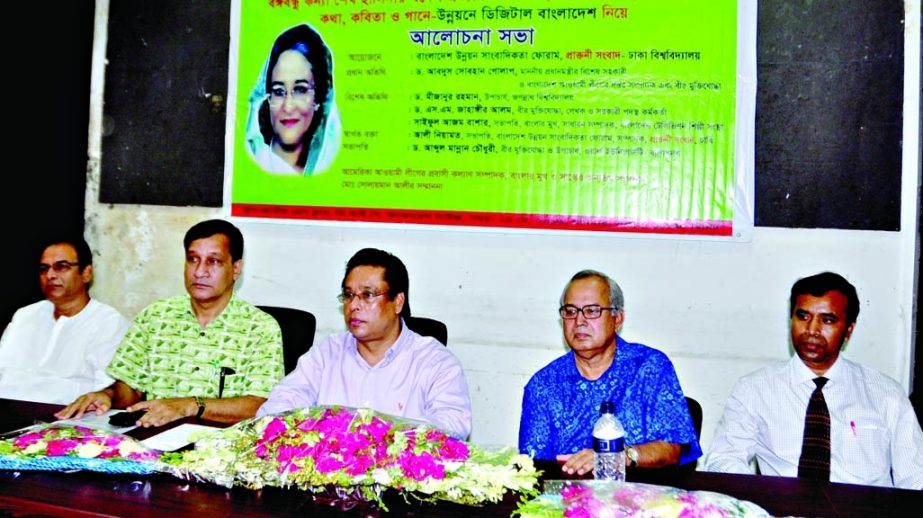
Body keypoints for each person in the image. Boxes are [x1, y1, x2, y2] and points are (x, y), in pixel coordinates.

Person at [56, 220, 285, 427]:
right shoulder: (156, 316)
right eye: (193, 259)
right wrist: (108, 395)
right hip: (152, 439)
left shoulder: (260, 328)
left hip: (223, 448)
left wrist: (189, 405)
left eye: (213, 262)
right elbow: (131, 387)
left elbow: (261, 405)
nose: (199, 271)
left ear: (236, 268)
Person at [706, 272, 923, 489]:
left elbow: (916, 477)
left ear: (849, 330)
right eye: (803, 317)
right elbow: (724, 461)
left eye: (827, 320)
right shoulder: (755, 389)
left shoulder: (885, 394)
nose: (812, 330)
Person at [257, 248, 472, 439]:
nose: (354, 305)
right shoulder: (327, 353)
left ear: (398, 302)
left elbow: (453, 426)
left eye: (368, 295)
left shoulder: (434, 361)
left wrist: (386, 437)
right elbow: (277, 408)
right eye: (349, 295)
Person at [519, 270, 701, 475]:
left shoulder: (650, 368)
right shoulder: (543, 385)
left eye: (592, 310)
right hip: (568, 500)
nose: (579, 321)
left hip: (644, 499)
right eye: (570, 311)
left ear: (618, 318)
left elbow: (672, 448)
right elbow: (534, 469)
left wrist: (617, 456)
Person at [0, 237, 130, 404]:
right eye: (44, 269)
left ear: (86, 273)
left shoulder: (109, 323)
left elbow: (108, 391)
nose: (50, 275)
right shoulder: (26, 315)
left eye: (62, 267)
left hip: (64, 418)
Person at [245, 24, 340, 175]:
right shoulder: (252, 159)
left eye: (300, 90)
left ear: (319, 98)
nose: (288, 107)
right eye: (278, 91)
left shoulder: (329, 166)